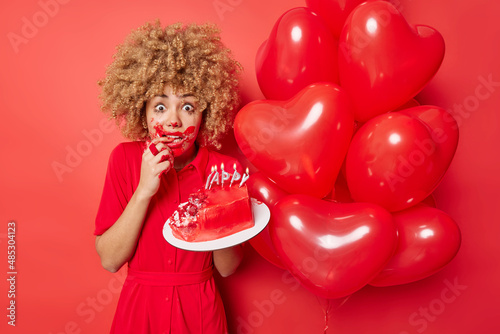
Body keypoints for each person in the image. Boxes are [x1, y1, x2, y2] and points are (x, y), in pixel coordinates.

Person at [94, 20, 244, 334]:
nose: (173, 121)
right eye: (160, 106)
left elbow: (228, 269)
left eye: (187, 106)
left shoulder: (225, 170)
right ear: (143, 111)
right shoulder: (123, 160)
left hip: (200, 314)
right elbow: (109, 260)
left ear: (205, 113)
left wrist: (217, 207)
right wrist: (145, 190)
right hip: (140, 313)